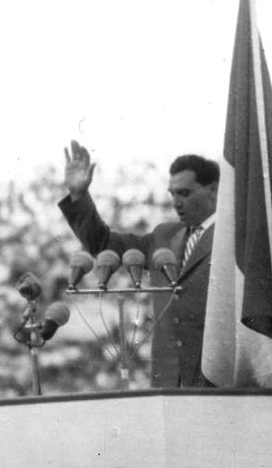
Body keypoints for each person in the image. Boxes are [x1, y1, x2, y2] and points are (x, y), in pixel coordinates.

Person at [59, 139, 218, 387]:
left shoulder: (234, 238)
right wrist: (78, 195)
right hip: (168, 379)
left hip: (216, 376)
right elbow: (103, 244)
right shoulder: (165, 235)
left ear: (213, 190)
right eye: (172, 193)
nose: (176, 202)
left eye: (185, 193)